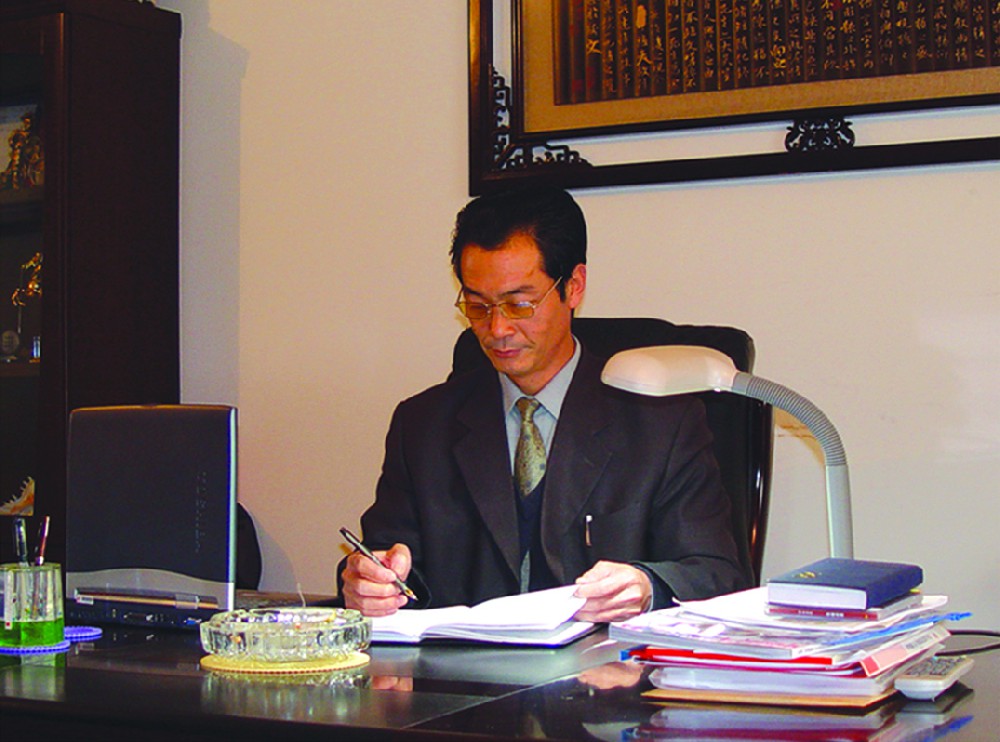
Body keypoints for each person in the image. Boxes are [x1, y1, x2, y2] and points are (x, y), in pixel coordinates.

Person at [338, 186, 746, 623]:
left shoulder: (661, 422)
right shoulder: (422, 425)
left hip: (603, 663)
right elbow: (384, 561)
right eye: (477, 306)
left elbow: (716, 574)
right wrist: (367, 583)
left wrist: (648, 587)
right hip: (459, 664)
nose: (497, 328)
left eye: (519, 304)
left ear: (574, 286)